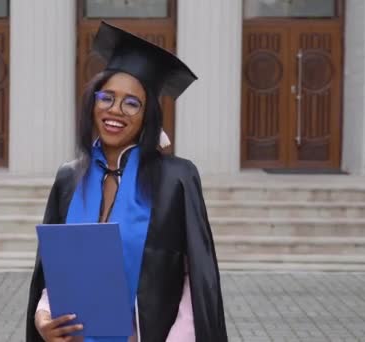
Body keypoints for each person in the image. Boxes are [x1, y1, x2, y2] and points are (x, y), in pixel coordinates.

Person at [26, 21, 228, 342]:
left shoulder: (176, 179)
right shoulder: (70, 177)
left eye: (132, 103)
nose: (115, 110)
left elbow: (196, 278)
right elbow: (58, 266)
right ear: (93, 102)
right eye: (107, 97)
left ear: (147, 115)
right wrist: (43, 315)